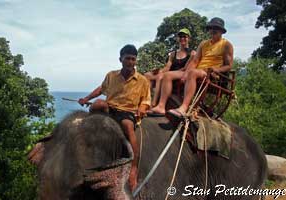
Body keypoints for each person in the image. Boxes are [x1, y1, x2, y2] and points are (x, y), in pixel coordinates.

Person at [78, 44, 151, 191]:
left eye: (133, 59)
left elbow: (146, 100)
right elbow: (101, 89)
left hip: (127, 111)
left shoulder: (142, 80)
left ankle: (134, 168)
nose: (130, 62)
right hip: (110, 107)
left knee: (127, 126)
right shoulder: (111, 75)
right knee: (98, 104)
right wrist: (86, 99)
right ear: (120, 59)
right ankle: (88, 132)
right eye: (127, 59)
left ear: (136, 60)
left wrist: (141, 110)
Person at [150, 17, 233, 118]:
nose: (213, 30)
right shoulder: (203, 44)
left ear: (221, 31)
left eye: (216, 28)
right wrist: (186, 73)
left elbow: (228, 66)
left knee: (192, 73)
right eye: (211, 28)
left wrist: (216, 69)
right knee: (167, 75)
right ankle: (161, 106)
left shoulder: (226, 45)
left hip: (211, 73)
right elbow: (195, 61)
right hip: (197, 70)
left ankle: (183, 108)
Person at [144, 28, 195, 108]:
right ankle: (145, 101)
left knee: (161, 76)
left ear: (189, 38)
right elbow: (167, 67)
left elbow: (187, 68)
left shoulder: (192, 53)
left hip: (180, 75)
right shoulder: (173, 54)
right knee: (147, 75)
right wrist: (159, 71)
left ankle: (154, 104)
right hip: (169, 74)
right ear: (178, 38)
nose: (182, 39)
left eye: (185, 37)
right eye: (180, 37)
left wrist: (165, 73)